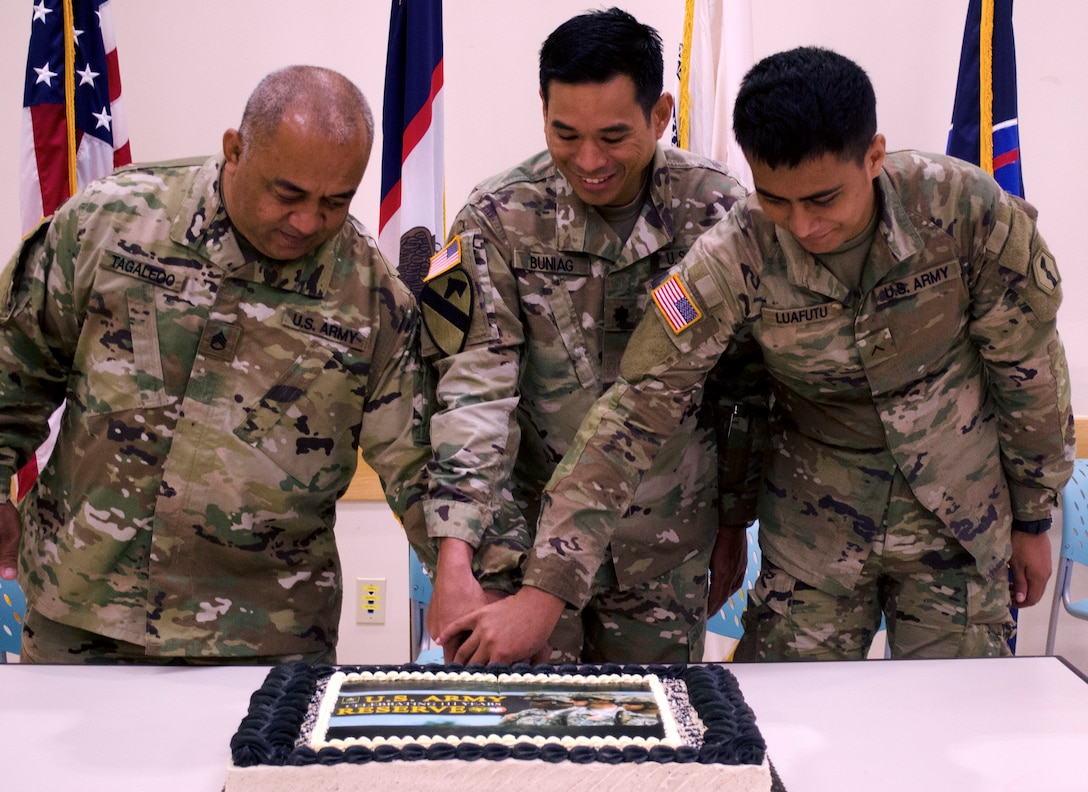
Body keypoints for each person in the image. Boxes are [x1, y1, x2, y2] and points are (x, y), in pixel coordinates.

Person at [440, 46, 1074, 664]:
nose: (801, 227)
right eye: (776, 200)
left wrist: (1034, 515)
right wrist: (546, 588)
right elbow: (634, 409)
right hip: (817, 532)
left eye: (823, 199)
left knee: (955, 725)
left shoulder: (963, 209)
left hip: (960, 522)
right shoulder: (736, 249)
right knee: (783, 732)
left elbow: (1029, 371)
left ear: (873, 156)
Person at [0, 65, 429, 664]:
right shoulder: (113, 223)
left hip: (264, 638)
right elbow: (13, 364)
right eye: (288, 194)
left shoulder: (371, 298)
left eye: (335, 202)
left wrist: (473, 581)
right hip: (84, 613)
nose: (308, 222)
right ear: (235, 149)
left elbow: (419, 466)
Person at [418, 7, 763, 664]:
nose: (589, 161)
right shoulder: (498, 218)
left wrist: (731, 522)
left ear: (660, 115)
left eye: (612, 136)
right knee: (524, 753)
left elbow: (741, 389)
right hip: (521, 550)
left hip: (662, 549)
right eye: (564, 133)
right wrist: (455, 557)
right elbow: (473, 392)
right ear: (542, 110)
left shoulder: (717, 212)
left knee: (654, 747)